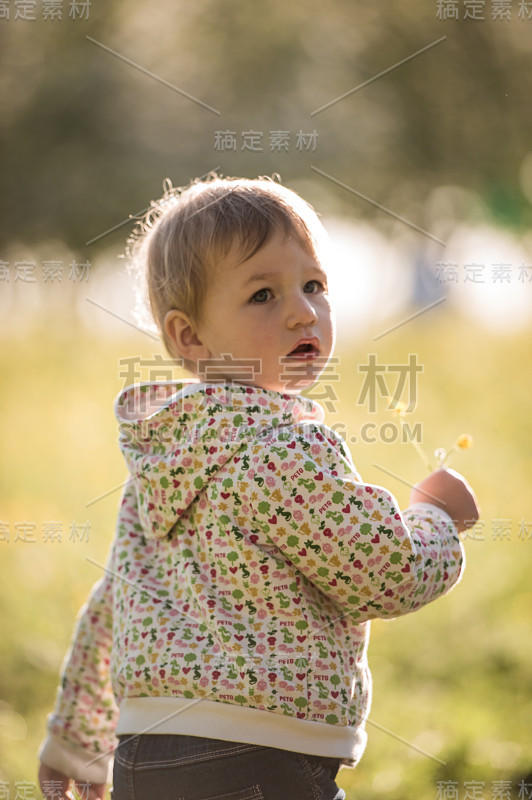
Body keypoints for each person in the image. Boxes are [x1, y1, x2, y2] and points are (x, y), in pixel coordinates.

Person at [38, 175, 479, 800]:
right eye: (263, 294)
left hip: (143, 755)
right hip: (257, 752)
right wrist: (438, 519)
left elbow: (112, 601)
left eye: (314, 285)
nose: (303, 310)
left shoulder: (163, 458)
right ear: (188, 336)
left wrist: (76, 739)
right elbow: (385, 572)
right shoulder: (281, 448)